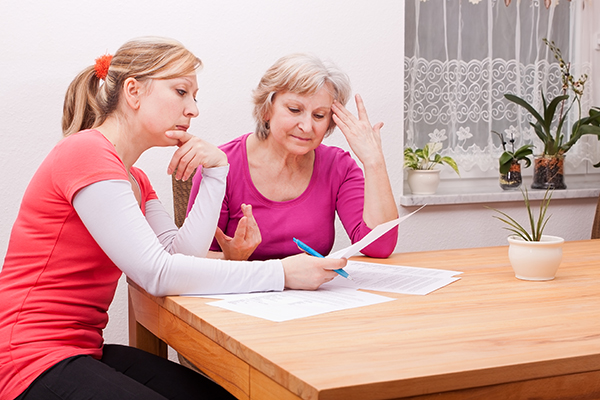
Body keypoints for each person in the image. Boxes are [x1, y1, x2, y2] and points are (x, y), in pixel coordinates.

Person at [0, 38, 346, 400]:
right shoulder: (85, 151)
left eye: (194, 96)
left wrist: (217, 173)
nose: (193, 109)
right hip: (27, 359)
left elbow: (180, 256)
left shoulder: (135, 179)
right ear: (133, 91)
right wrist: (282, 274)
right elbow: (157, 274)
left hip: (81, 348)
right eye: (182, 92)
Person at [187, 53, 399, 261]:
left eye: (319, 115)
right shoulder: (221, 167)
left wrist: (374, 162)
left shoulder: (338, 167)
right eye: (295, 109)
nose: (307, 127)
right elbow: (191, 258)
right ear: (266, 110)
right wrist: (239, 260)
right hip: (240, 292)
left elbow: (379, 246)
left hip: (313, 294)